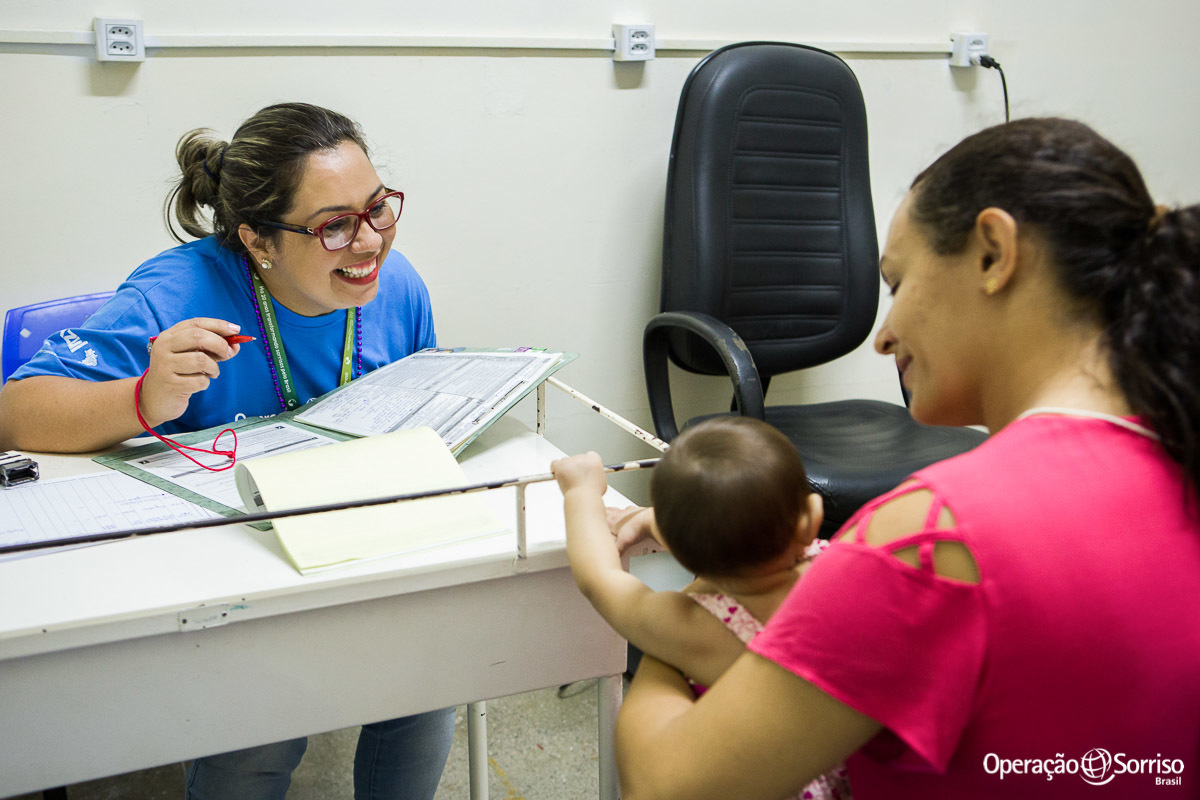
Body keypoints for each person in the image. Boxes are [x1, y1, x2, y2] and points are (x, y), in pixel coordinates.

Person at [611, 118, 1200, 799]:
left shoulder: (933, 537)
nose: (883, 339)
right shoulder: (1177, 448)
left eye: (897, 284)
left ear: (992, 253)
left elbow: (667, 783)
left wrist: (677, 620)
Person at [0, 103, 453, 799]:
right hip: (229, 583)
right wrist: (143, 397)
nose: (369, 244)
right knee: (262, 732)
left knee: (431, 682)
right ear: (259, 240)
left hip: (357, 555)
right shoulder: (179, 291)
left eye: (378, 209)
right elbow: (15, 414)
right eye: (334, 225)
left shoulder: (395, 288)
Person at [551, 416, 851, 800]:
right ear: (811, 518)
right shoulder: (846, 571)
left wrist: (581, 493)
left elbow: (599, 579)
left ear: (677, 552)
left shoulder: (697, 626)